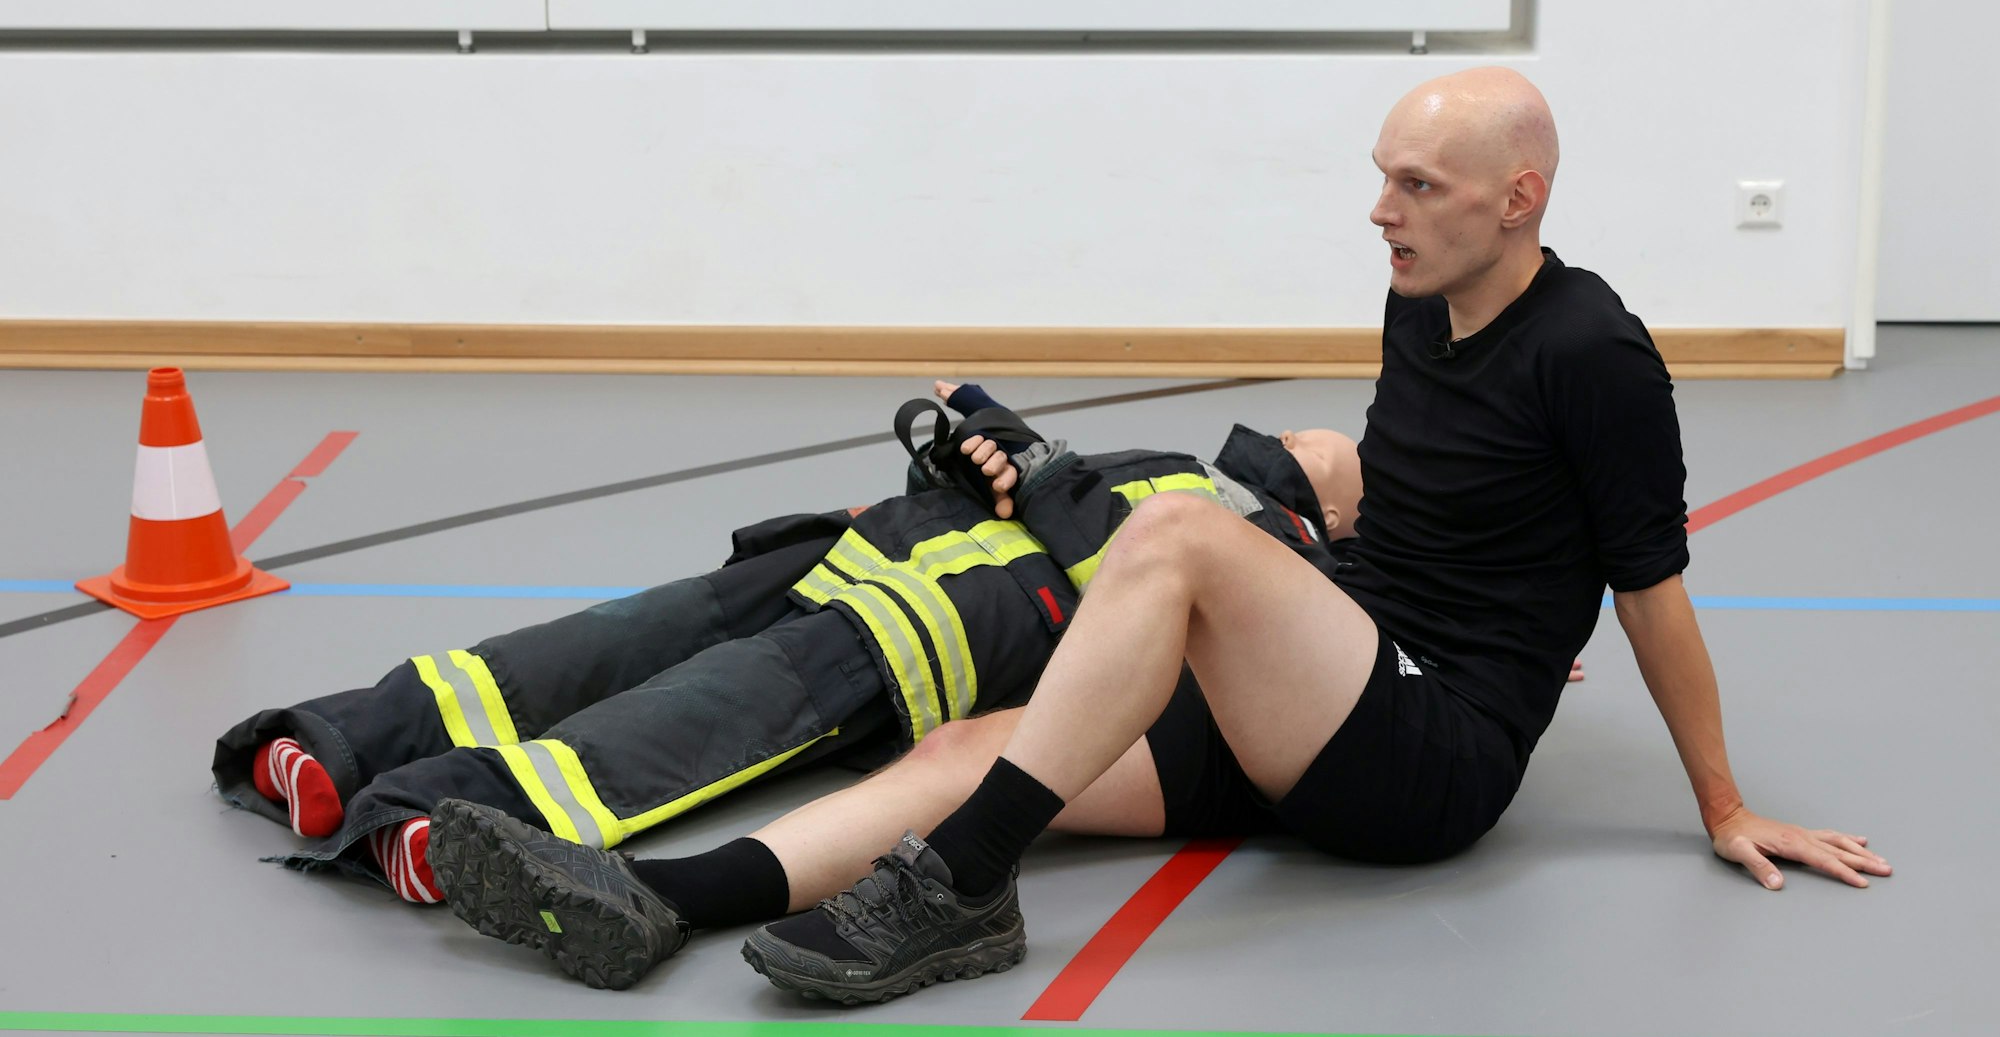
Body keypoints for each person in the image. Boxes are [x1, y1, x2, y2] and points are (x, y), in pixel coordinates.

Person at [421, 66, 1890, 1003]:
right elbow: (1451, 493)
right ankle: (656, 900)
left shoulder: (1597, 350)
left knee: (1179, 540)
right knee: (966, 752)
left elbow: (1653, 587)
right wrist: (1339, 486)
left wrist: (1723, 803)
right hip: (1344, 675)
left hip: (1432, 753)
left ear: (1522, 201)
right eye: (1382, 177)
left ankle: (960, 894)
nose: (1380, 209)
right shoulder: (1419, 294)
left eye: (1418, 187)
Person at [213, 382, 1365, 926]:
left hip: (911, 638)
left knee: (674, 723)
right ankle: (350, 741)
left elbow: (1134, 589)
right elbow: (1023, 497)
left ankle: (437, 822)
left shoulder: (1266, 560)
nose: (1316, 434)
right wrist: (979, 453)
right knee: (590, 644)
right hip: (851, 555)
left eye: (1329, 450)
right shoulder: (1173, 458)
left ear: (1325, 514)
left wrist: (1050, 489)